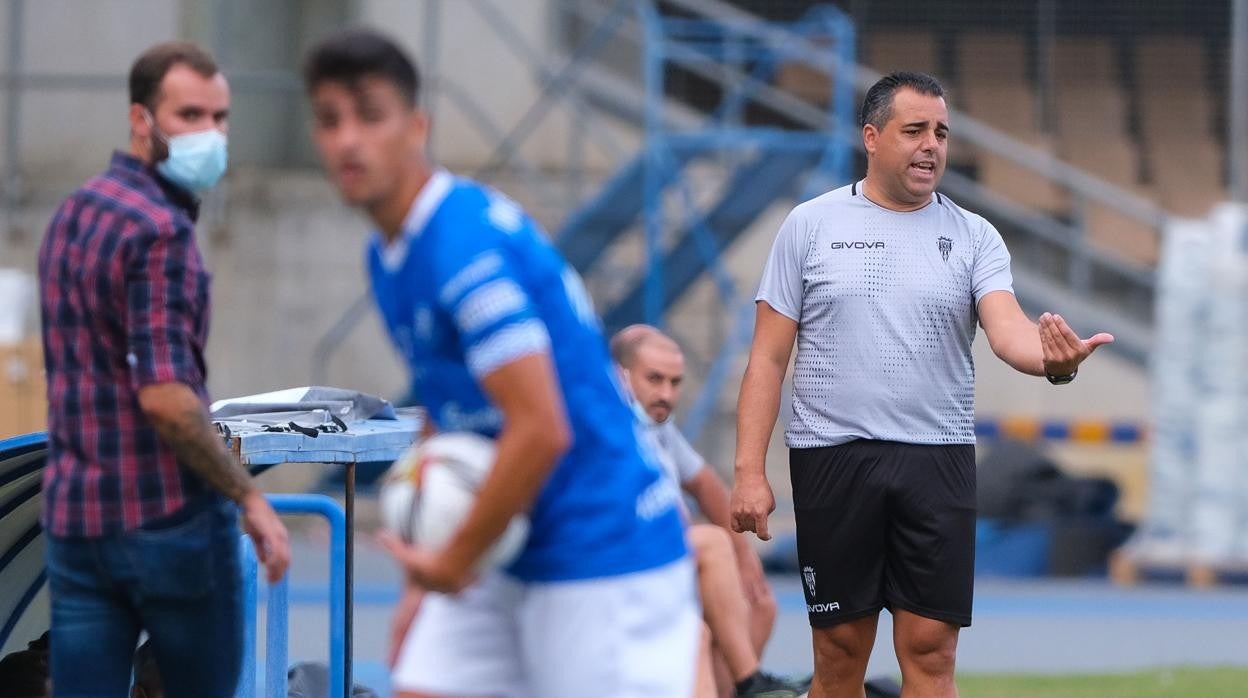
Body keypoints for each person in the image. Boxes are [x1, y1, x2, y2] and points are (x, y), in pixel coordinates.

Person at [303, 29, 697, 697]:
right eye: (329, 121)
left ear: (416, 127)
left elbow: (542, 428)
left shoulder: (462, 248)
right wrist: (421, 579)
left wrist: (452, 563)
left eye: (369, 116)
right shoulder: (390, 252)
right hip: (507, 540)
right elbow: (448, 411)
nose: (347, 140)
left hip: (601, 546)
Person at [729, 71, 1114, 698]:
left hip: (937, 462)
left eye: (941, 132)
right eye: (914, 131)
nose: (931, 145)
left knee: (932, 650)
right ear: (873, 137)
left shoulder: (973, 235)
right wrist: (750, 472)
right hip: (833, 459)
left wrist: (1056, 362)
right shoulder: (810, 226)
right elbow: (767, 361)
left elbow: (1009, 331)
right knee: (840, 652)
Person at [37, 41, 290, 696]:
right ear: (141, 121)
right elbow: (167, 398)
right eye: (190, 115)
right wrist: (248, 496)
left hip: (76, 523)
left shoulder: (71, 214)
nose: (210, 134)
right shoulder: (162, 233)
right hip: (164, 526)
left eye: (220, 117)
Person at [611, 325, 804, 698]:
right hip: (624, 565)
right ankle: (750, 679)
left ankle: (738, 688)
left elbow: (706, 485)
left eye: (675, 382)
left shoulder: (659, 427)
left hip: (668, 559)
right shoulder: (611, 428)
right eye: (655, 379)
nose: (666, 394)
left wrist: (746, 558)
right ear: (621, 376)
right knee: (712, 550)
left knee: (759, 605)